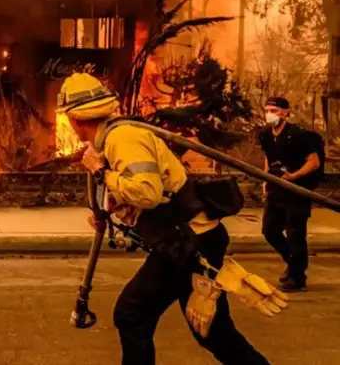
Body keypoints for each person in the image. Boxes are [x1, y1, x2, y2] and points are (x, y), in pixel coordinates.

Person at [57, 72, 284, 365]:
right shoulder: (113, 139)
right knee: (212, 332)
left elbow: (147, 193)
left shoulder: (122, 138)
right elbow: (145, 193)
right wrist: (113, 209)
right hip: (191, 239)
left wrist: (101, 172)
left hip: (189, 242)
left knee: (132, 313)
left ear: (74, 119)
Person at [258, 97, 320, 292]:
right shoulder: (266, 135)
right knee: (270, 231)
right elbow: (268, 158)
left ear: (285, 112)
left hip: (297, 191)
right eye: (267, 110)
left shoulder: (300, 135)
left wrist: (293, 176)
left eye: (274, 111)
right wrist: (265, 181)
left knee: (295, 234)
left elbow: (313, 162)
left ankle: (297, 278)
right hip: (276, 190)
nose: (269, 114)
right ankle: (294, 266)